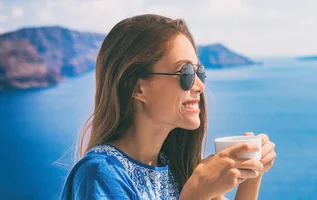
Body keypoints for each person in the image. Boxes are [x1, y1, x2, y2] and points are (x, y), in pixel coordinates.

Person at [60, 14, 276, 200]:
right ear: (137, 87)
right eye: (186, 74)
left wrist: (250, 177)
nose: (200, 86)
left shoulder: (175, 169)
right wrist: (196, 194)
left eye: (199, 73)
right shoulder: (101, 173)